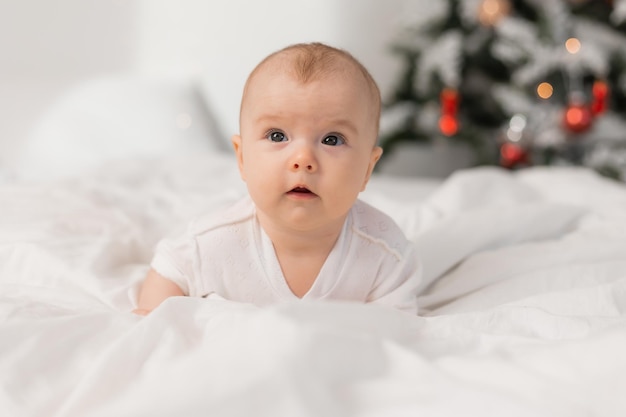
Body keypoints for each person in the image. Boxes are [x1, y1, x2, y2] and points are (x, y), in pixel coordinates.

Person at [133, 42, 421, 315]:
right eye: (277, 136)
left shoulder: (385, 254)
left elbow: (399, 333)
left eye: (332, 139)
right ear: (242, 158)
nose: (303, 159)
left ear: (367, 170)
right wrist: (158, 318)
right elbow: (170, 269)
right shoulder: (215, 241)